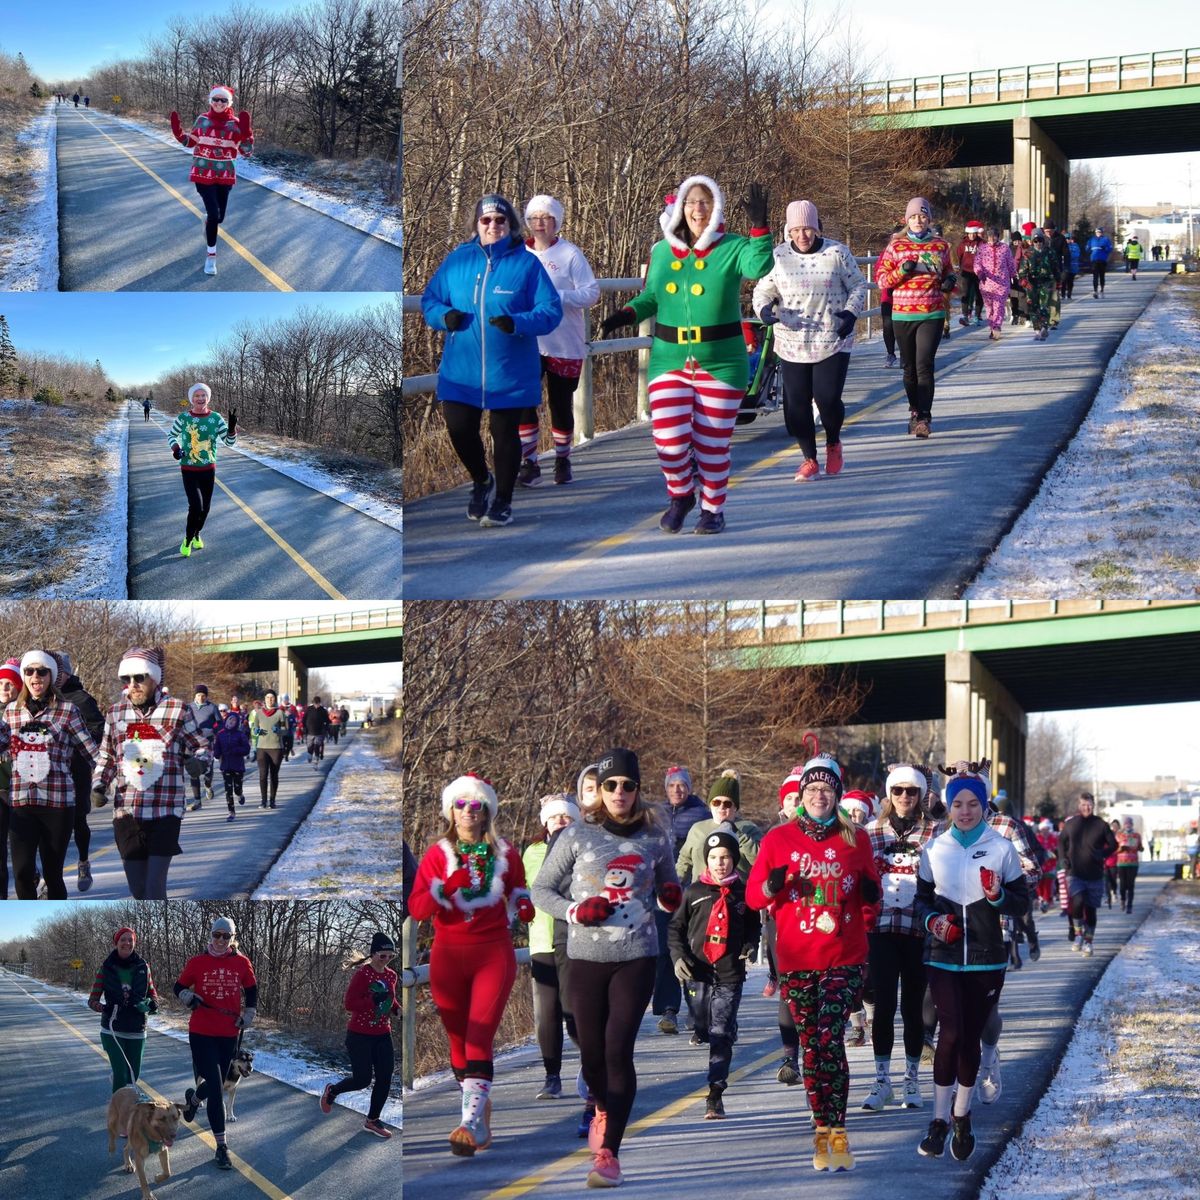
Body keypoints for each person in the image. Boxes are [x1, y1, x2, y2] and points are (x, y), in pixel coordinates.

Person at [531, 748, 681, 1188]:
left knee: (618, 1050)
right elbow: (541, 890)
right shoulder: (576, 835)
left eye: (628, 785)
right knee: (592, 1054)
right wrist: (576, 912)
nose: (619, 792)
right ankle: (599, 1101)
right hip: (584, 958)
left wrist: (669, 897)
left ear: (638, 790)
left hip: (637, 956)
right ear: (600, 790)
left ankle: (610, 1154)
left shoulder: (656, 836)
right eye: (611, 785)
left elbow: (668, 886)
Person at [599, 176, 772, 533]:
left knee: (711, 444)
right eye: (691, 202)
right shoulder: (661, 251)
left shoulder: (733, 247)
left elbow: (759, 268)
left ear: (716, 209)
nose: (698, 209)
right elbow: (651, 297)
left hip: (722, 361)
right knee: (669, 439)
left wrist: (759, 227)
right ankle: (681, 495)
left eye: (705, 202)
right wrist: (625, 315)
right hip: (670, 359)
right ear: (680, 208)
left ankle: (713, 509)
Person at [747, 753, 881, 1173]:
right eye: (811, 789)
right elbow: (754, 898)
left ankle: (837, 1130)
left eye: (826, 789)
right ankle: (821, 1130)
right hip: (797, 959)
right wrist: (772, 884)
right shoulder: (778, 839)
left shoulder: (855, 838)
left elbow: (873, 897)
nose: (819, 795)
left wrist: (869, 893)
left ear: (837, 794)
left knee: (829, 1039)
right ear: (801, 796)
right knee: (811, 1046)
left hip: (844, 956)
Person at [408, 774, 533, 1156]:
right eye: (459, 805)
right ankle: (478, 1109)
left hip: (492, 952)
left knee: (479, 1035)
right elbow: (417, 909)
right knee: (457, 1041)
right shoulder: (437, 855)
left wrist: (524, 905)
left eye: (475, 805)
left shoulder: (506, 853)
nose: (467, 812)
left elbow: (519, 892)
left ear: (487, 812)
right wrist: (444, 888)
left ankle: (469, 1123)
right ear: (450, 810)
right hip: (448, 953)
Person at [421, 194, 563, 528]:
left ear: (511, 225)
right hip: (462, 370)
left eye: (500, 220)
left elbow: (550, 310)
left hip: (509, 370)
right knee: (458, 428)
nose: (493, 226)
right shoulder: (457, 261)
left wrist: (518, 323)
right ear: (476, 225)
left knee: (505, 434)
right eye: (486, 220)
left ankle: (503, 501)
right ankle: (481, 480)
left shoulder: (526, 264)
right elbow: (430, 299)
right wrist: (444, 317)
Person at [913, 762, 1027, 1163]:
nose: (965, 810)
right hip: (943, 957)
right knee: (950, 1033)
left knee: (970, 1036)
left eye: (972, 803)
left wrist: (998, 898)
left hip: (985, 959)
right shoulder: (934, 848)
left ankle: (962, 1113)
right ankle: (938, 1120)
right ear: (948, 806)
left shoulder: (1001, 848)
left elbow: (1021, 903)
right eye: (957, 803)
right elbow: (921, 901)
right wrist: (933, 921)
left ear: (983, 806)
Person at [751, 199, 867, 481]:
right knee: (796, 407)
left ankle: (833, 442)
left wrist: (850, 314)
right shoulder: (778, 257)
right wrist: (765, 310)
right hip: (791, 342)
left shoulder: (837, 253)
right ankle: (809, 459)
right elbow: (761, 292)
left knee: (827, 400)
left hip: (831, 337)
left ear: (817, 229)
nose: (802, 236)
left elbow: (858, 285)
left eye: (808, 229)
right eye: (796, 230)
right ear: (788, 231)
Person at [91, 647, 210, 900]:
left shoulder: (177, 710)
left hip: (165, 810)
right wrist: (99, 785)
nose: (132, 685)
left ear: (154, 678)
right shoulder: (115, 713)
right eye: (126, 679)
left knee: (154, 889)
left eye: (139, 678)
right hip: (127, 811)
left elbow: (202, 747)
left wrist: (198, 763)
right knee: (138, 890)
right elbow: (107, 756)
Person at [859, 764, 942, 1112]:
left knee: (912, 1008)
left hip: (917, 930)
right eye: (898, 791)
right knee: (883, 1009)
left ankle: (911, 1080)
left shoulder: (935, 834)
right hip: (879, 931)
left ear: (921, 795)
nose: (905, 797)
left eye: (912, 791)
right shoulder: (869, 832)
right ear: (889, 795)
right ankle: (882, 1082)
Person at [668, 826, 760, 1119]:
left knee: (719, 1032)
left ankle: (715, 1093)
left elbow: (753, 927)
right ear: (706, 860)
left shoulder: (743, 894)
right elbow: (675, 929)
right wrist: (678, 957)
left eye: (726, 857)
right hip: (697, 971)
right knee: (703, 1025)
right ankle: (718, 1028)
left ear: (734, 859)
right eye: (715, 857)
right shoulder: (693, 892)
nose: (720, 862)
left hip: (729, 972)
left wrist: (750, 944)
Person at [517, 194, 600, 487]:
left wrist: (559, 298)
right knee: (524, 402)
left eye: (546, 218)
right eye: (534, 218)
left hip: (563, 341)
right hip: (527, 342)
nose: (540, 224)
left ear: (556, 222)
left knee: (560, 403)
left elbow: (591, 292)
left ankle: (562, 458)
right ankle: (529, 462)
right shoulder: (518, 254)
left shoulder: (570, 254)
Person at [4, 649, 99, 899]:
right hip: (21, 803)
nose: (36, 676)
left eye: (42, 671)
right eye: (30, 671)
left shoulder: (68, 711)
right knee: (23, 873)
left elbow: (92, 753)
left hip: (57, 804)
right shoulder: (11, 711)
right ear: (24, 677)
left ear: (51, 676)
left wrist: (109, 780)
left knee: (52, 873)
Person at [176, 916, 258, 1171]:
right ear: (210, 936)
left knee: (218, 1084)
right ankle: (222, 1147)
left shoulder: (242, 963)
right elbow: (178, 985)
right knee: (215, 1084)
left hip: (228, 1032)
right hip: (201, 1031)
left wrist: (249, 1013)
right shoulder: (197, 962)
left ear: (233, 938)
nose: (220, 940)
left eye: (226, 936)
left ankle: (192, 1101)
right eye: (216, 935)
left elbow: (252, 988)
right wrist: (187, 996)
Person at [873, 197, 956, 439]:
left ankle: (925, 417)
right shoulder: (896, 246)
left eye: (922, 216)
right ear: (906, 220)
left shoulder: (941, 245)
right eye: (913, 217)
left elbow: (948, 271)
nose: (918, 221)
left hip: (931, 312)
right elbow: (881, 280)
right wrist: (903, 269)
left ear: (929, 219)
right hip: (903, 314)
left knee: (924, 365)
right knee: (909, 369)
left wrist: (950, 281)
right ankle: (914, 410)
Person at [521, 793, 582, 1100]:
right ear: (545, 821)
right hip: (541, 939)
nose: (560, 820)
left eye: (567, 816)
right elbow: (520, 890)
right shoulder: (530, 852)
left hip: (574, 939)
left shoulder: (583, 846)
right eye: (555, 816)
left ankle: (590, 1064)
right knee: (547, 1012)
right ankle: (552, 1076)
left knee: (573, 1010)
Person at [319, 932, 399, 1138]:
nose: (387, 960)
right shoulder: (363, 975)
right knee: (363, 1080)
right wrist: (372, 1001)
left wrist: (396, 1009)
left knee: (385, 1078)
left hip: (383, 1034)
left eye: (391, 956)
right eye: (383, 956)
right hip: (359, 1035)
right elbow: (349, 1004)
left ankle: (372, 1120)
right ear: (373, 954)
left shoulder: (391, 975)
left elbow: (390, 999)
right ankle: (333, 1091)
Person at [169, 86, 253, 275]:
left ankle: (209, 221)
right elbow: (190, 142)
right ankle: (211, 257)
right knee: (214, 215)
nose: (219, 103)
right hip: (203, 173)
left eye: (224, 100)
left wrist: (247, 134)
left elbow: (246, 152)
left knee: (219, 217)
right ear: (210, 100)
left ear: (229, 103)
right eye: (216, 99)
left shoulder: (236, 123)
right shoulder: (202, 120)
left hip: (225, 176)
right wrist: (177, 132)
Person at [653, 765, 709, 1033]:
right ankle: (668, 1010)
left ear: (690, 787)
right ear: (666, 787)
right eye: (672, 784)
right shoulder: (657, 814)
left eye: (682, 784)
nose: (677, 789)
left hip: (692, 892)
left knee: (692, 948)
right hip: (664, 892)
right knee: (666, 949)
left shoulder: (701, 814)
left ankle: (696, 1008)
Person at [48, 650, 105, 893]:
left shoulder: (80, 698)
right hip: (49, 770)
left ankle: (83, 861)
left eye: (53, 669)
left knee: (77, 821)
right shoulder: (43, 698)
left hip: (76, 769)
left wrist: (76, 741)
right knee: (49, 826)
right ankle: (50, 877)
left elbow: (98, 727)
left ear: (66, 672)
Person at [167, 383, 237, 558]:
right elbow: (171, 435)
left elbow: (229, 443)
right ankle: (188, 540)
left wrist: (231, 429)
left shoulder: (216, 418)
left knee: (205, 509)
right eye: (197, 396)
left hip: (208, 470)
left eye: (203, 395)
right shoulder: (183, 418)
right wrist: (176, 449)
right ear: (192, 399)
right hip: (189, 469)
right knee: (196, 506)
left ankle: (197, 533)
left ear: (208, 398)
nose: (200, 399)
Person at [88, 926, 159, 1092]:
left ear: (134, 943)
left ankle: (120, 1084)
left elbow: (152, 992)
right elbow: (92, 1000)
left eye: (130, 940)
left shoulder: (143, 966)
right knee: (121, 1074)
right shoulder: (106, 967)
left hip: (137, 1026)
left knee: (134, 1074)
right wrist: (103, 1007)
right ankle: (119, 1114)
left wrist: (153, 1003)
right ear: (116, 943)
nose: (127, 943)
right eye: (123, 940)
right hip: (113, 1028)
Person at [675, 770, 763, 885]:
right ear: (710, 805)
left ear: (735, 807)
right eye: (716, 802)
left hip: (735, 895)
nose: (721, 807)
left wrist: (738, 834)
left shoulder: (748, 828)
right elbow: (684, 861)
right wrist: (675, 886)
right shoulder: (698, 829)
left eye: (727, 804)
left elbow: (761, 860)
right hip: (701, 893)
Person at [1058, 791, 1118, 956]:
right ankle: (1078, 935)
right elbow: (1061, 842)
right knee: (1077, 902)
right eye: (1083, 805)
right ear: (1079, 806)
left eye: (1089, 805)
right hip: (1075, 873)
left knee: (1091, 910)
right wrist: (1063, 859)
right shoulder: (1072, 824)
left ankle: (1089, 942)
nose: (1086, 808)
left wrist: (1103, 854)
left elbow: (1114, 844)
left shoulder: (1101, 825)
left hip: (1095, 874)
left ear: (1093, 806)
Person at [973, 228, 1016, 342]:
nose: (992, 239)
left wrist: (1013, 275)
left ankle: (997, 325)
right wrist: (979, 272)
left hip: (1002, 282)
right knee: (989, 307)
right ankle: (992, 327)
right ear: (987, 237)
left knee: (999, 305)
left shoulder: (1004, 248)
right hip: (986, 283)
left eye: (994, 236)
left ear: (998, 236)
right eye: (990, 236)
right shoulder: (982, 248)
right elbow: (977, 263)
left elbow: (1010, 263)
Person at [1017, 231, 1060, 341]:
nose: (1038, 243)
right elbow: (1022, 271)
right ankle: (1037, 330)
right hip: (1032, 284)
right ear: (1032, 242)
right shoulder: (1028, 254)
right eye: (1035, 241)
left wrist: (1058, 281)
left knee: (1044, 305)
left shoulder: (1049, 252)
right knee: (1033, 306)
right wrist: (1024, 280)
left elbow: (1056, 267)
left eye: (1040, 240)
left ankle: (1044, 327)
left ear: (1043, 241)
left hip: (1046, 282)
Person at [0, 659, 19, 899]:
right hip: (2, 792)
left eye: (10, 684)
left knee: (21, 848)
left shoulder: (24, 713)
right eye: (0, 683)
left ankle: (33, 872)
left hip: (24, 790)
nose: (4, 688)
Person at [248, 691, 287, 808]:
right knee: (263, 775)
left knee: (274, 775)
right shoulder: (259, 713)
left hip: (276, 748)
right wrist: (256, 731)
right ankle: (263, 801)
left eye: (272, 698)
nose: (270, 700)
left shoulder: (280, 713)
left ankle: (272, 800)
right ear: (264, 699)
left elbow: (286, 730)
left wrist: (279, 731)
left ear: (275, 699)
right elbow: (254, 728)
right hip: (262, 748)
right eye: (268, 698)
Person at [186, 684, 220, 810]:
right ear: (195, 695)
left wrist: (215, 731)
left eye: (203, 696)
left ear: (206, 696)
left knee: (207, 771)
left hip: (207, 742)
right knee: (193, 771)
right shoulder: (188, 707)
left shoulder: (212, 708)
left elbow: (220, 723)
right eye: (199, 695)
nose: (201, 698)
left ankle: (208, 785)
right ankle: (197, 801)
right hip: (192, 742)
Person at [213, 709, 250, 818]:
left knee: (237, 788)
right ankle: (231, 811)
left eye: (234, 720)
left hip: (238, 765)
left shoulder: (240, 735)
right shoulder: (220, 734)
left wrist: (236, 750)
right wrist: (217, 753)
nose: (231, 722)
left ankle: (240, 794)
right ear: (226, 721)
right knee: (228, 789)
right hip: (226, 765)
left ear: (237, 723)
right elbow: (217, 747)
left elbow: (246, 749)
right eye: (230, 720)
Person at [955, 220, 985, 327]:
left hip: (979, 273)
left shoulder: (982, 243)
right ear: (967, 233)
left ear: (976, 233)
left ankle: (977, 315)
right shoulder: (962, 244)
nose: (972, 235)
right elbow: (958, 256)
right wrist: (957, 266)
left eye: (974, 233)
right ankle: (965, 316)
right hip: (966, 272)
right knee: (965, 294)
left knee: (979, 294)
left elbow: (987, 257)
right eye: (970, 233)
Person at [1115, 818, 1143, 914]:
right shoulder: (1119, 835)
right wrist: (1121, 848)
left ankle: (1129, 905)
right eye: (1126, 824)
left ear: (1132, 824)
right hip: (1121, 863)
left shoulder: (1136, 835)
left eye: (1130, 823)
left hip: (1133, 863)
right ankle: (1123, 900)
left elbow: (1140, 847)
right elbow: (1114, 850)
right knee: (1123, 885)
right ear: (1124, 825)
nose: (1128, 825)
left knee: (1131, 885)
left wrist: (1139, 847)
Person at [1086, 227, 1114, 297]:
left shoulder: (1105, 239)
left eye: (1099, 232)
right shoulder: (1092, 239)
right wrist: (1089, 250)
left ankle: (1102, 289)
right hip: (1094, 259)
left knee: (1102, 276)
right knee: (1095, 276)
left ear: (1102, 233)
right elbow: (1087, 248)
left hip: (1102, 259)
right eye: (1097, 232)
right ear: (1095, 233)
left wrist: (1105, 248)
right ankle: (1095, 291)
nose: (1098, 233)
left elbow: (1110, 248)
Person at [303, 695, 330, 766]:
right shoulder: (309, 709)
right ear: (313, 703)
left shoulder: (323, 711)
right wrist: (304, 727)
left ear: (319, 703)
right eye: (315, 703)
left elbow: (327, 721)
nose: (316, 705)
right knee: (310, 747)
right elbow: (304, 719)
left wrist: (326, 728)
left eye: (318, 703)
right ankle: (310, 755)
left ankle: (316, 760)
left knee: (317, 746)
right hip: (309, 732)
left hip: (319, 732)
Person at [1103, 819, 1121, 909]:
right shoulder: (1104, 836)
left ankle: (1114, 891)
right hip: (1105, 861)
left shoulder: (1119, 836)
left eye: (1116, 826)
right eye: (1113, 826)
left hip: (1115, 861)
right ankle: (1108, 897)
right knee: (1106, 880)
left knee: (1113, 879)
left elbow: (1120, 846)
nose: (1114, 827)